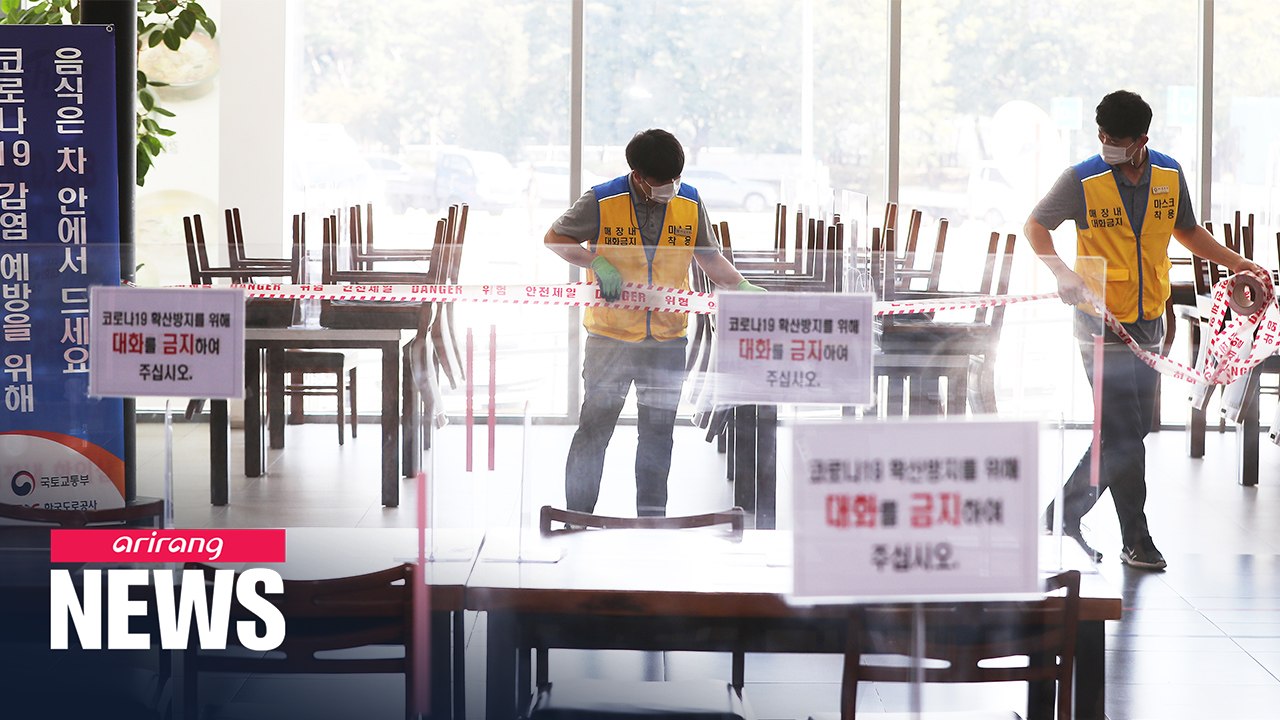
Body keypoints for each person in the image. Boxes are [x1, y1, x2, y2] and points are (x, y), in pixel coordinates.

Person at [1025, 90, 1266, 570]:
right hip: (1099, 323)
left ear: (1141, 140)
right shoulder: (1081, 179)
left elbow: (1188, 231)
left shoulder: (1169, 175)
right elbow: (1035, 226)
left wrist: (1238, 262)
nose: (1106, 145)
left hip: (1151, 321)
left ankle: (1061, 515)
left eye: (1116, 140)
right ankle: (1136, 539)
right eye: (1102, 136)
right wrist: (1061, 272)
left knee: (1129, 430)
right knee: (1123, 434)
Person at [545, 128, 764, 517]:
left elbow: (708, 257)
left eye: (675, 179)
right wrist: (595, 261)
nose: (670, 187)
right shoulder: (602, 199)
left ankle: (651, 522)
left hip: (666, 339)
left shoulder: (690, 201)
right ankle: (577, 517)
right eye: (662, 181)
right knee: (594, 431)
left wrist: (739, 284)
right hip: (610, 339)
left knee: (658, 437)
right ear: (639, 176)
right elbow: (555, 238)